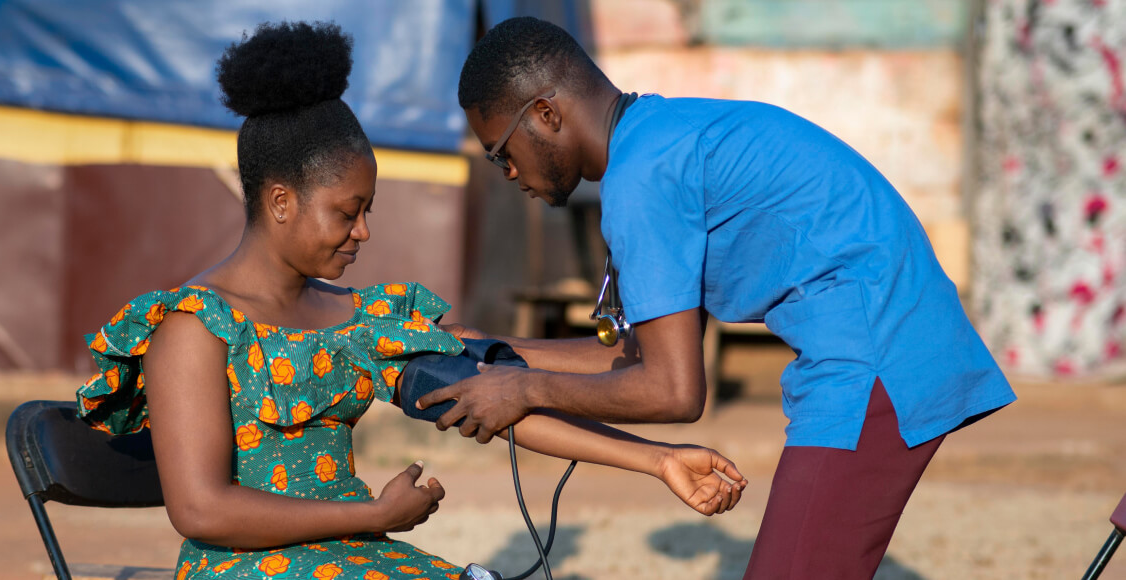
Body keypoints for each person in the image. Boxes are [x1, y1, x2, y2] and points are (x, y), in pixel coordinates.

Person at [75, 21, 746, 580]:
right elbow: (201, 510)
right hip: (248, 567)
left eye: (368, 211)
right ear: (281, 201)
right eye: (347, 213)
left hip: (357, 557)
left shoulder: (359, 321)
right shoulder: (194, 327)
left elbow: (498, 399)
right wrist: (371, 516)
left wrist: (657, 459)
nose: (363, 232)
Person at [418, 16, 1019, 580]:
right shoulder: (655, 138)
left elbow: (673, 391)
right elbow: (640, 356)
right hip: (882, 342)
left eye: (501, 152)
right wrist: (499, 349)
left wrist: (523, 389)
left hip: (876, 357)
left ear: (546, 113)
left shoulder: (641, 178)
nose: (508, 173)